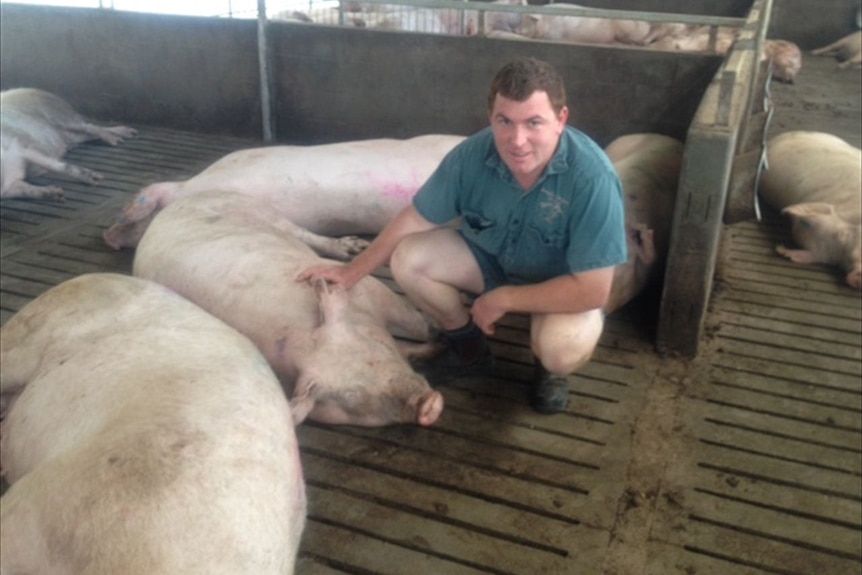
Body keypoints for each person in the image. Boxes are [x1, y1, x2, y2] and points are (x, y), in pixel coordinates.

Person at [297, 57, 627, 414]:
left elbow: (594, 289)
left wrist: (504, 300)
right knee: (409, 258)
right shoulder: (471, 156)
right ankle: (469, 350)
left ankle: (548, 372)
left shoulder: (592, 179)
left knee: (561, 348)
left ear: (561, 119)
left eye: (534, 123)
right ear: (491, 117)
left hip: (560, 281)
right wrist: (351, 271)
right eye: (505, 121)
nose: (518, 141)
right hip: (493, 261)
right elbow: (414, 218)